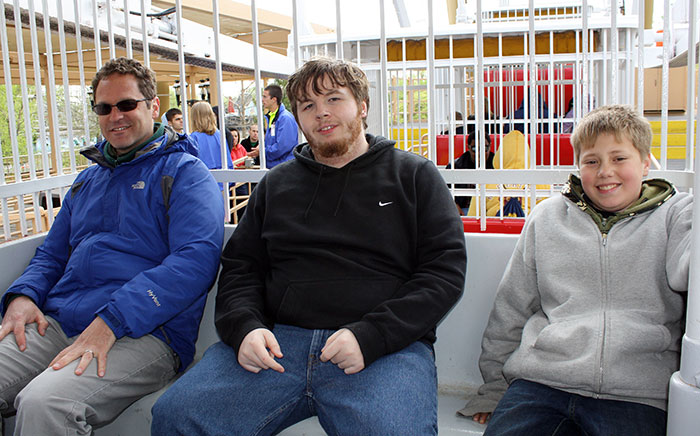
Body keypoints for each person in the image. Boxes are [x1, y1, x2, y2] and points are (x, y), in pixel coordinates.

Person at [151, 57, 467, 436]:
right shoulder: (275, 185)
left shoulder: (414, 176)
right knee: (176, 414)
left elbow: (443, 272)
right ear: (298, 119)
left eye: (334, 99)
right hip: (277, 343)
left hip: (383, 348)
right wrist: (245, 328)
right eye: (308, 106)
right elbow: (241, 268)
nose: (322, 114)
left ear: (362, 106)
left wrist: (371, 335)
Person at [0, 57, 224, 435]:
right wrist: (23, 296)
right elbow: (52, 254)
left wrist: (112, 320)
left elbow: (194, 263)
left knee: (45, 404)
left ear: (153, 106)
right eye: (104, 108)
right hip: (60, 319)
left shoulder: (185, 174)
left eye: (126, 104)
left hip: (144, 332)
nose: (114, 116)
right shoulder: (88, 180)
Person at [459, 105, 692, 436]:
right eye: (592, 161)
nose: (605, 171)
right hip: (541, 385)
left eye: (619, 158)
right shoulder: (547, 217)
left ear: (645, 162)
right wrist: (495, 388)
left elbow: (688, 268)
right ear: (578, 166)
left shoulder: (676, 216)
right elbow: (510, 308)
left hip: (639, 396)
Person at [247, 84, 298, 169]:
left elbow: (282, 147)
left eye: (265, 97)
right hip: (276, 167)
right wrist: (261, 147)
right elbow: (272, 141)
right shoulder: (272, 117)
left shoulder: (285, 118)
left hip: (284, 169)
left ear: (274, 99)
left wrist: (263, 151)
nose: (262, 100)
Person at [190, 101, 234, 191]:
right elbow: (228, 161)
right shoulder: (220, 135)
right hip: (222, 183)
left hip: (203, 186)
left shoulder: (193, 138)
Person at [446, 131, 494, 213]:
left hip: (490, 209)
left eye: (485, 148)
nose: (480, 153)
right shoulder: (455, 166)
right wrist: (454, 206)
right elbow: (444, 191)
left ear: (490, 146)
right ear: (468, 147)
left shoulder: (498, 165)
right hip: (463, 209)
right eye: (475, 149)